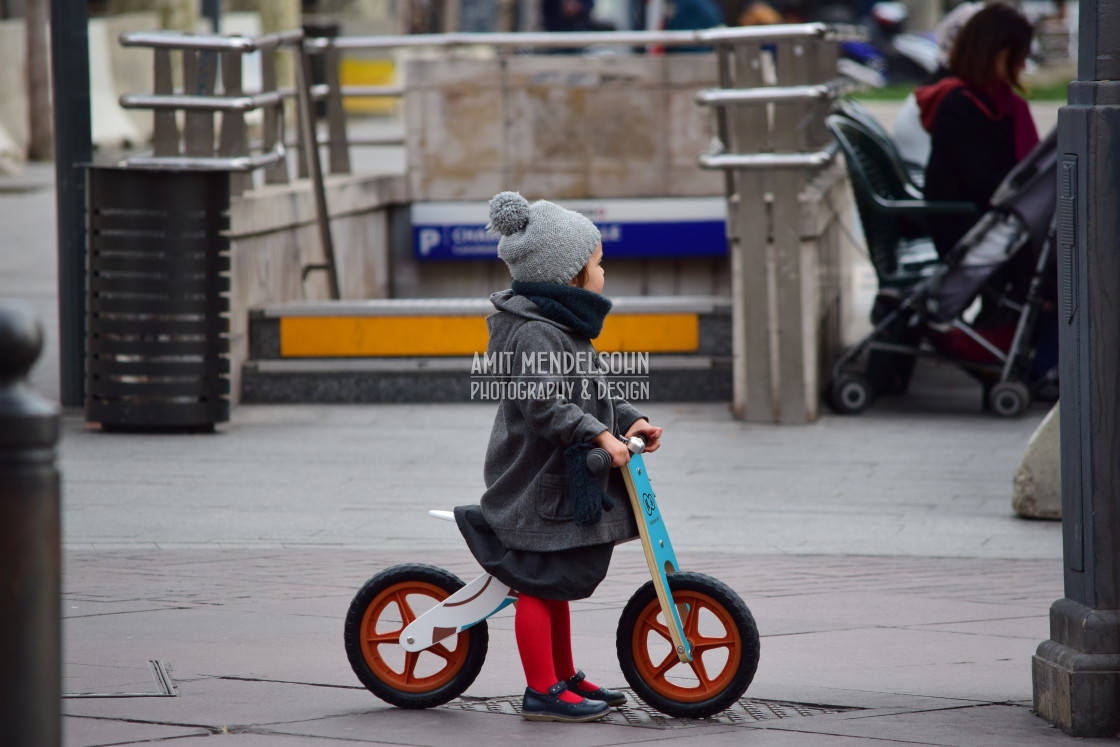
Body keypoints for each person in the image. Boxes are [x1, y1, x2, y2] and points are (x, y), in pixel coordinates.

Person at [454, 191, 663, 723]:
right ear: (569, 276)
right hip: (533, 483)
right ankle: (541, 691)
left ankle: (563, 676)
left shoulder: (562, 328)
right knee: (537, 588)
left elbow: (589, 391)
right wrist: (598, 437)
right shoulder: (534, 334)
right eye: (596, 264)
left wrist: (627, 419)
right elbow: (547, 405)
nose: (603, 272)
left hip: (556, 479)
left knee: (555, 585)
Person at [916, 2, 1038, 259]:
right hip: (967, 229)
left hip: (986, 222)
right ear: (998, 53)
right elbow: (984, 185)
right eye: (1020, 56)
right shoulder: (961, 105)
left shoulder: (994, 102)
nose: (1023, 67)